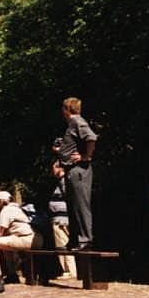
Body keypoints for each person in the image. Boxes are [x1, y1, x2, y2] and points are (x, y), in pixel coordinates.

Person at [54, 96, 97, 251]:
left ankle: (85, 240)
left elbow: (91, 138)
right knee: (72, 206)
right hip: (69, 170)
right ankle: (74, 240)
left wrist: (86, 156)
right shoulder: (71, 124)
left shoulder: (78, 121)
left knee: (80, 204)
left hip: (79, 170)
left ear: (66, 109)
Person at [0, 190, 35, 285]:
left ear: (2, 201)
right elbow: (3, 233)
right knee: (3, 244)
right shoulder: (17, 208)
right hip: (34, 238)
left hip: (26, 239)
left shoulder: (6, 210)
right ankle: (12, 275)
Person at [49, 162, 77, 279]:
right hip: (61, 218)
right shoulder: (63, 181)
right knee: (63, 244)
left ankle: (69, 271)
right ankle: (68, 270)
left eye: (53, 168)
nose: (52, 171)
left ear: (59, 168)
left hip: (61, 220)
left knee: (62, 245)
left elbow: (70, 198)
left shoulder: (64, 181)